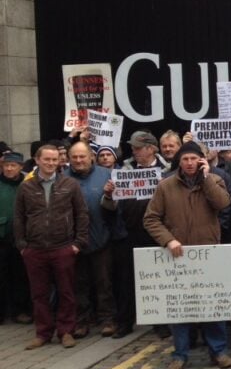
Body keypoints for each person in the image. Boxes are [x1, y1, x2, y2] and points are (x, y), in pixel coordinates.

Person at [144, 141, 231, 369]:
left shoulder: (214, 180)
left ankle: (219, 351)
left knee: (213, 306)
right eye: (185, 159)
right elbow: (151, 218)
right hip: (179, 255)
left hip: (208, 254)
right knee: (180, 309)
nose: (190, 163)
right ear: (179, 162)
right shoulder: (165, 186)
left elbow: (223, 204)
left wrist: (206, 179)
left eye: (194, 159)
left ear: (201, 160)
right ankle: (180, 353)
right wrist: (168, 240)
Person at [14, 145, 89, 349]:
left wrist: (78, 243)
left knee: (66, 291)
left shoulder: (70, 184)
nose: (51, 163)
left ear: (60, 162)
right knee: (39, 294)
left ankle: (66, 331)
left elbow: (81, 214)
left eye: (55, 160)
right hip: (35, 249)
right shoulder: (26, 187)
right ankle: (43, 333)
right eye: (46, 159)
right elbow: (19, 217)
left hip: (63, 247)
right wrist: (22, 245)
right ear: (37, 160)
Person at [103, 130, 170, 339]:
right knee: (126, 280)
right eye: (133, 147)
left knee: (160, 279)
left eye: (138, 147)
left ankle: (161, 322)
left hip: (158, 233)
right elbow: (110, 207)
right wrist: (108, 195)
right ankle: (125, 321)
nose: (134, 150)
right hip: (129, 232)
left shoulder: (167, 171)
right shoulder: (124, 170)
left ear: (151, 149)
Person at [66, 142, 116, 338]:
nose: (78, 160)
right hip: (73, 241)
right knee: (78, 284)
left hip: (101, 237)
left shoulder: (106, 175)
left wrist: (110, 196)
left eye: (82, 156)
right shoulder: (63, 178)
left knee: (104, 282)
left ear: (91, 157)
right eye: (75, 157)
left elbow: (115, 207)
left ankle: (108, 319)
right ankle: (81, 322)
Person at [0, 151, 31, 324]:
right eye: (6, 165)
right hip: (2, 236)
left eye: (13, 165)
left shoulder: (28, 183)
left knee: (21, 275)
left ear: (20, 167)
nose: (9, 169)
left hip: (23, 236)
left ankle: (21, 311)